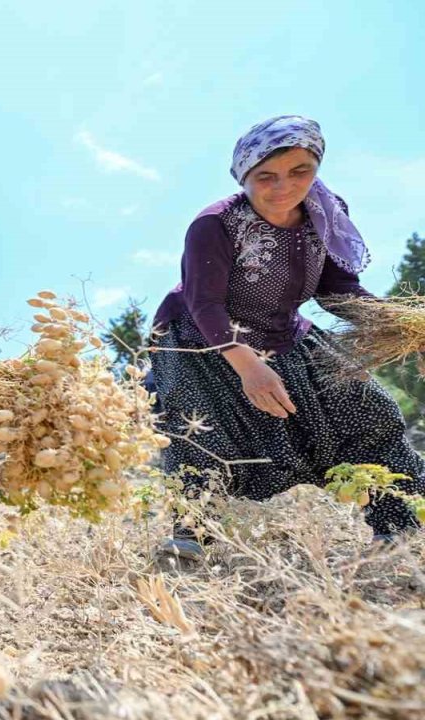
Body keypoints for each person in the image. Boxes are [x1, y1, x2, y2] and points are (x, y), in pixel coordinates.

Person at [149, 115, 423, 559]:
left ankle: (399, 525)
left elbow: (338, 289)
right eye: (266, 177)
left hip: (283, 334)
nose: (284, 187)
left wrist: (403, 328)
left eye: (301, 171)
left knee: (369, 410)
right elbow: (205, 304)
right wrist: (249, 368)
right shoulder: (215, 224)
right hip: (200, 338)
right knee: (203, 431)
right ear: (244, 176)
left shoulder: (325, 213)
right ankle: (191, 537)